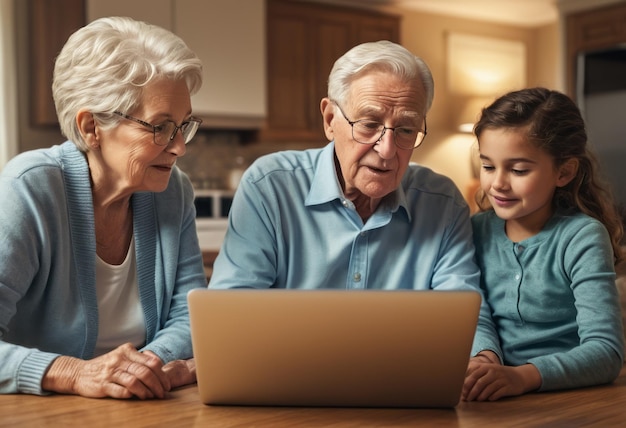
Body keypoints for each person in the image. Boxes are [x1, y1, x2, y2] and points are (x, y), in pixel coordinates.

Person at [209, 40, 501, 361]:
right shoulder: (270, 185)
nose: (387, 149)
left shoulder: (442, 202)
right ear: (330, 118)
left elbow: (465, 312)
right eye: (369, 124)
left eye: (405, 129)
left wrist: (482, 358)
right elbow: (231, 310)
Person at [0, 17, 207, 399]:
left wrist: (138, 371)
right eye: (161, 127)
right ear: (91, 127)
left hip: (145, 406)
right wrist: (73, 373)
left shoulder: (172, 191)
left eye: (183, 126)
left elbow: (190, 317)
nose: (179, 147)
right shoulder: (29, 188)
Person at [463, 87, 625, 402]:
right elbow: (477, 314)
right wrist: (485, 359)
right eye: (488, 166)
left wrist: (520, 377)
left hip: (566, 397)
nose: (498, 183)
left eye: (519, 170)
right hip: (496, 394)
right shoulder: (476, 229)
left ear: (564, 171)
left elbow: (606, 352)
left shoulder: (581, 237)